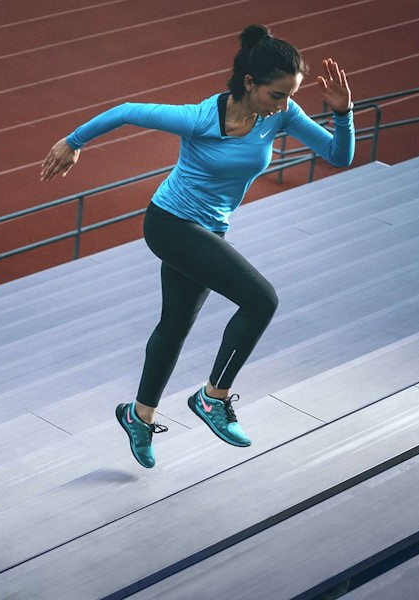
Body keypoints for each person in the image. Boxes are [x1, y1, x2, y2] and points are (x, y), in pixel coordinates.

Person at [40, 24, 355, 468]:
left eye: (289, 96)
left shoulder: (280, 114)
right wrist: (73, 143)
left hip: (209, 231)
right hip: (170, 223)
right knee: (261, 300)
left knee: (175, 326)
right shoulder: (201, 119)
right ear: (250, 84)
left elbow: (339, 156)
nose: (284, 105)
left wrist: (343, 114)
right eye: (276, 95)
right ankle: (213, 397)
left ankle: (139, 415)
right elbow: (128, 110)